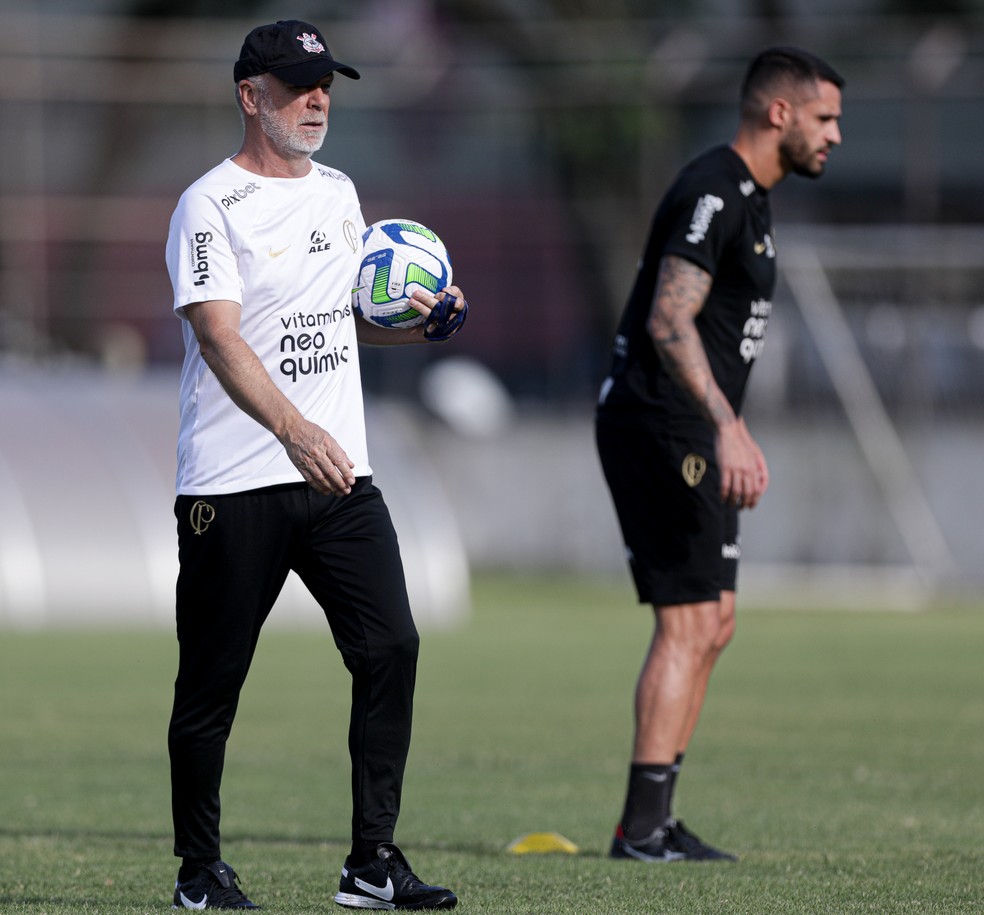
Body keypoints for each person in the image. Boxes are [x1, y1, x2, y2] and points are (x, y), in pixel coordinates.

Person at [164, 20, 466, 910]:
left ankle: (372, 861)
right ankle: (198, 871)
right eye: (298, 85)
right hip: (234, 479)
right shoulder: (208, 205)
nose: (319, 98)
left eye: (326, 81)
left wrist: (418, 322)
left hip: (338, 478)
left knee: (392, 645)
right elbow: (220, 337)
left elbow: (345, 314)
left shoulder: (340, 193)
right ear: (249, 95)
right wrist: (294, 431)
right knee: (213, 683)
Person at [595, 47, 844, 862]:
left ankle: (656, 821)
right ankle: (641, 831)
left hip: (691, 427)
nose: (836, 136)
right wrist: (727, 424)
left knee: (716, 621)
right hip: (660, 422)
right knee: (690, 618)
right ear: (780, 113)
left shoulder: (755, 200)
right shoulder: (714, 189)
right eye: (825, 118)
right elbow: (670, 323)